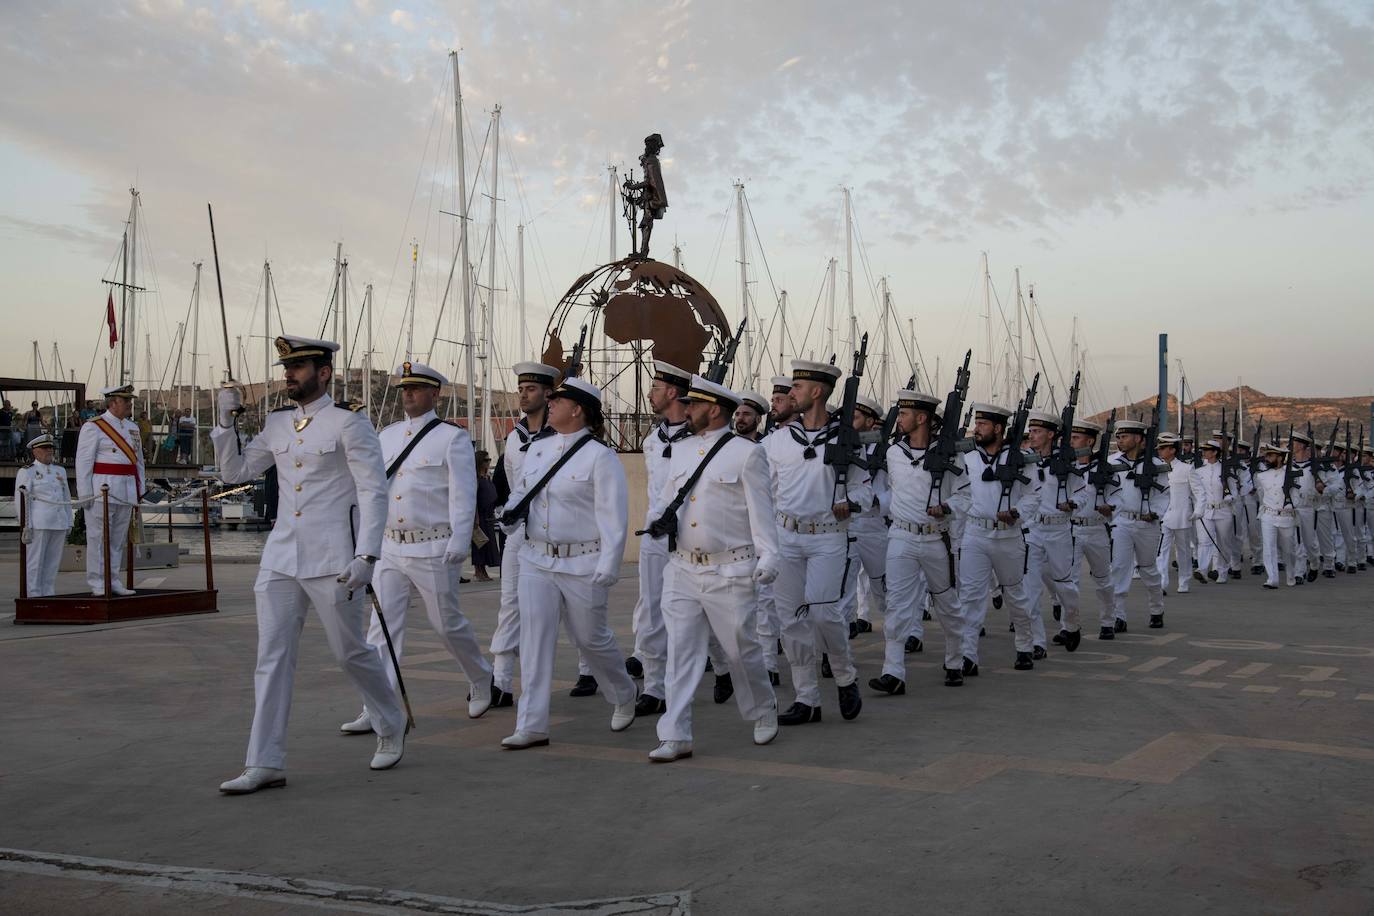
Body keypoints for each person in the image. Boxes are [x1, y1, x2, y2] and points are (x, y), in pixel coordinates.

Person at [213, 335, 408, 795]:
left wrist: (367, 555)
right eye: (287, 367)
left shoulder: (348, 424)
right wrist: (224, 422)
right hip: (282, 556)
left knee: (349, 652)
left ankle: (390, 719)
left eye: (298, 367)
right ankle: (265, 761)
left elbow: (372, 491)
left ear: (323, 373)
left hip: (333, 557)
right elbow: (234, 473)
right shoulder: (279, 424)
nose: (289, 375)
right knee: (272, 657)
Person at [338, 361, 494, 735]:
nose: (407, 395)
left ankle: (480, 677)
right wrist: (365, 544)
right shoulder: (387, 436)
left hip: (433, 546)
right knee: (382, 629)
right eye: (404, 390)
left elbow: (462, 492)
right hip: (390, 546)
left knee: (446, 624)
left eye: (416, 389)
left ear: (434, 394)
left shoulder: (451, 438)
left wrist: (460, 541)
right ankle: (376, 704)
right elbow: (371, 492)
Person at [645, 374, 780, 762]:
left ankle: (762, 707)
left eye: (693, 405)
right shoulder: (682, 451)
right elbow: (667, 498)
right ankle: (675, 734)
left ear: (714, 409)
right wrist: (655, 521)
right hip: (683, 567)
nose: (686, 410)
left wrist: (769, 555)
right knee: (681, 652)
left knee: (740, 649)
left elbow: (761, 512)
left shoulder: (746, 453)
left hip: (731, 569)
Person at [499, 377, 638, 749]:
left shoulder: (600, 456)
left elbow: (613, 516)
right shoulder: (539, 450)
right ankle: (532, 724)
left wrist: (610, 565)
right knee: (535, 639)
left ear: (577, 409)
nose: (551, 405)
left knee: (590, 639)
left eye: (558, 401)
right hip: (536, 558)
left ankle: (623, 692)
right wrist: (509, 516)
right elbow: (520, 492)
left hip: (583, 562)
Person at [762, 359, 870, 725]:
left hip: (827, 538)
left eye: (797, 387)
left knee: (825, 613)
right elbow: (764, 492)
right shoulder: (776, 441)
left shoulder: (845, 440)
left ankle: (844, 675)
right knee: (790, 621)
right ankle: (806, 698)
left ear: (817, 392)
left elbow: (865, 491)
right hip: (786, 537)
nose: (790, 392)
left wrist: (851, 503)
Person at [875, 388, 969, 691]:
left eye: (903, 414)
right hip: (901, 535)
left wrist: (947, 508)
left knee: (946, 604)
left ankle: (955, 659)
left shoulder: (951, 454)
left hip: (935, 539)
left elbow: (965, 495)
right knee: (897, 605)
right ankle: (893, 672)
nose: (898, 419)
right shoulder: (893, 453)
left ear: (922, 418)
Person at [628, 360, 697, 717]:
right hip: (655, 536)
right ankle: (655, 687)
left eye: (655, 388)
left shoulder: (701, 439)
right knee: (651, 610)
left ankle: (711, 669)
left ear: (672, 392)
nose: (650, 395)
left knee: (690, 615)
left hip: (690, 538)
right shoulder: (651, 441)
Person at [491, 361, 560, 708]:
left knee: (575, 614)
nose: (523, 394)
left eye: (530, 389)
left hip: (555, 533)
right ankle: (501, 681)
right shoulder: (515, 437)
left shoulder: (562, 436)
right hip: (520, 532)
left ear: (548, 394)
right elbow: (511, 483)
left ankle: (589, 669)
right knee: (509, 604)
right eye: (520, 389)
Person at [956, 403, 1040, 672]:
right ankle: (967, 655)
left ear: (998, 428)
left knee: (1015, 594)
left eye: (982, 425)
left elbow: (1034, 495)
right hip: (975, 534)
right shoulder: (968, 457)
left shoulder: (1020, 458)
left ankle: (1025, 646)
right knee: (970, 597)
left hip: (1008, 536)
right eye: (977, 424)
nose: (977, 429)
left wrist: (1017, 512)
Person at [75, 384, 143, 597]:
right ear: (112, 402)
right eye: (125, 400)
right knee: (98, 539)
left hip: (126, 489)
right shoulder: (94, 426)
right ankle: (97, 581)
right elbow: (83, 462)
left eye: (129, 400)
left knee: (117, 539)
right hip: (102, 489)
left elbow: (138, 461)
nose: (130, 404)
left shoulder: (133, 427)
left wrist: (139, 488)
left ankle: (113, 579)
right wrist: (85, 493)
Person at [1109, 419, 1171, 630]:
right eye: (1118, 436)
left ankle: (1156, 609)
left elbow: (1164, 495)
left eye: (1124, 437)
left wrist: (1155, 513)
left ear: (1138, 439)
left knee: (1148, 569)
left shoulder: (1157, 464)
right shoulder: (1113, 462)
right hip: (1122, 522)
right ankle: (1118, 615)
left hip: (1147, 523)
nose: (1120, 441)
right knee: (1119, 568)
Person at [16, 434, 71, 596]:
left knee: (52, 562)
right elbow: (22, 500)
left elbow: (66, 497)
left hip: (58, 521)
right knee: (35, 561)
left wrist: (69, 521)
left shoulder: (60, 470)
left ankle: (48, 592)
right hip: (39, 522)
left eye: (51, 448)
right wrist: (26, 525)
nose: (49, 451)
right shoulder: (27, 472)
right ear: (35, 452)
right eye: (45, 448)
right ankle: (33, 594)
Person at [1253, 443, 1299, 588]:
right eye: (1267, 455)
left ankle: (1291, 574)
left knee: (1289, 550)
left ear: (1280, 458)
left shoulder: (1292, 473)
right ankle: (1272, 578)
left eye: (1270, 456)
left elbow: (1296, 496)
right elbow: (1261, 495)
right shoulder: (1261, 476)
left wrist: (1291, 507)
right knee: (1269, 548)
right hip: (1268, 515)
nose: (1267, 458)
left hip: (1286, 515)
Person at [1156, 433, 1196, 594]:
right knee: (1161, 552)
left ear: (1172, 450)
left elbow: (1198, 493)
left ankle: (1184, 581)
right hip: (1162, 516)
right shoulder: (1156, 467)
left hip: (1182, 516)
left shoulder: (1187, 469)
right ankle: (1162, 583)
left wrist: (1198, 511)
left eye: (1163, 448)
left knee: (1183, 551)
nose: (1159, 451)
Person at [1191, 440, 1232, 583]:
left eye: (1207, 450)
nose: (1204, 452)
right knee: (1204, 541)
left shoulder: (1226, 470)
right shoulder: (1199, 471)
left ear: (1215, 452)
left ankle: (1222, 571)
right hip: (1206, 510)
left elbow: (1233, 491)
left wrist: (1229, 495)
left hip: (1223, 510)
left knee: (1223, 542)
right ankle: (1202, 570)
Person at [472, 450, 501, 580]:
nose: (488, 462)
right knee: (480, 544)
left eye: (489, 460)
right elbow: (474, 499)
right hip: (480, 515)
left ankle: (483, 570)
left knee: (488, 544)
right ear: (479, 462)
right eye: (486, 460)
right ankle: (479, 570)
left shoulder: (487, 476)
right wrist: (475, 517)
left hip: (489, 515)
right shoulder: (476, 478)